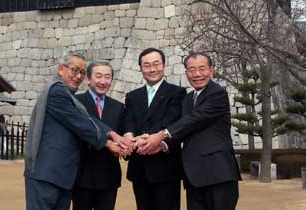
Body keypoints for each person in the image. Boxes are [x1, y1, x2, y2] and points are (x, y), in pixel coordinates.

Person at [24, 52, 133, 210]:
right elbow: (82, 124)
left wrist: (114, 134)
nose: (78, 76)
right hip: (47, 174)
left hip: (63, 176)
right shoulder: (57, 92)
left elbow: (87, 118)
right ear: (61, 69)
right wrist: (109, 143)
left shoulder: (69, 96)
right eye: (74, 70)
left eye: (81, 72)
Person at [137, 52, 241, 210]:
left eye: (202, 69)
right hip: (193, 177)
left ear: (212, 70)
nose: (197, 74)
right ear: (186, 73)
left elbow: (195, 119)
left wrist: (161, 135)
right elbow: (184, 130)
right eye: (192, 70)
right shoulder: (187, 99)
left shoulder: (217, 93)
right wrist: (162, 145)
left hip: (218, 174)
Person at [123, 47, 186, 210]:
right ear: (141, 68)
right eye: (147, 65)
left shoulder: (177, 92)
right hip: (139, 167)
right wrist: (129, 135)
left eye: (156, 64)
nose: (152, 69)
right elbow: (129, 121)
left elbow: (172, 121)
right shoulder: (132, 96)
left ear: (164, 65)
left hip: (166, 167)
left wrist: (145, 138)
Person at [72, 60, 125, 210]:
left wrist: (126, 144)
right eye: (99, 76)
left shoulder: (119, 107)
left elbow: (122, 135)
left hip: (109, 176)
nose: (103, 81)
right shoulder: (76, 102)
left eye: (107, 77)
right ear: (88, 79)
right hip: (82, 176)